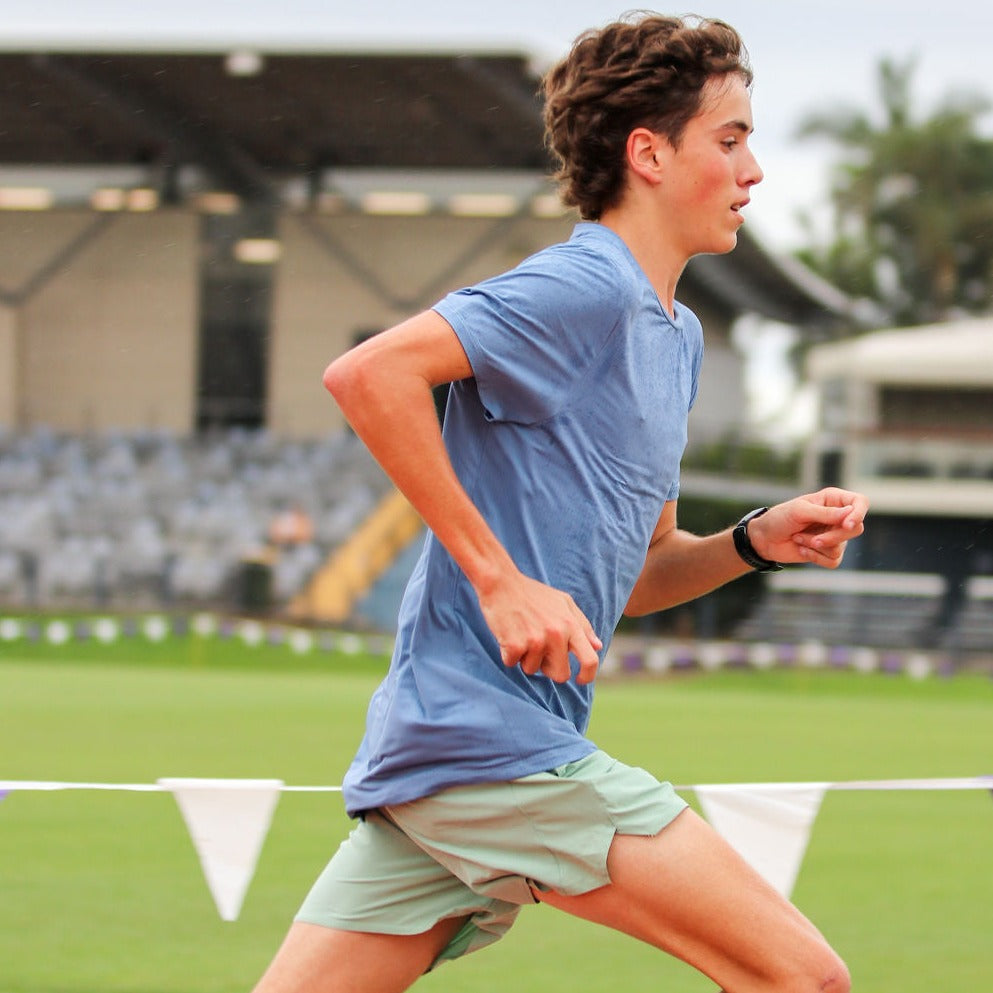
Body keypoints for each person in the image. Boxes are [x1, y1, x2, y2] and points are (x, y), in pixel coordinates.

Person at [253, 13, 866, 993]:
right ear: (648, 154)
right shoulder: (580, 287)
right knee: (807, 980)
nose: (754, 171)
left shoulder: (677, 338)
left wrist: (753, 543)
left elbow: (639, 580)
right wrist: (499, 583)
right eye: (732, 139)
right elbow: (368, 378)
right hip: (494, 755)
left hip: (446, 770)